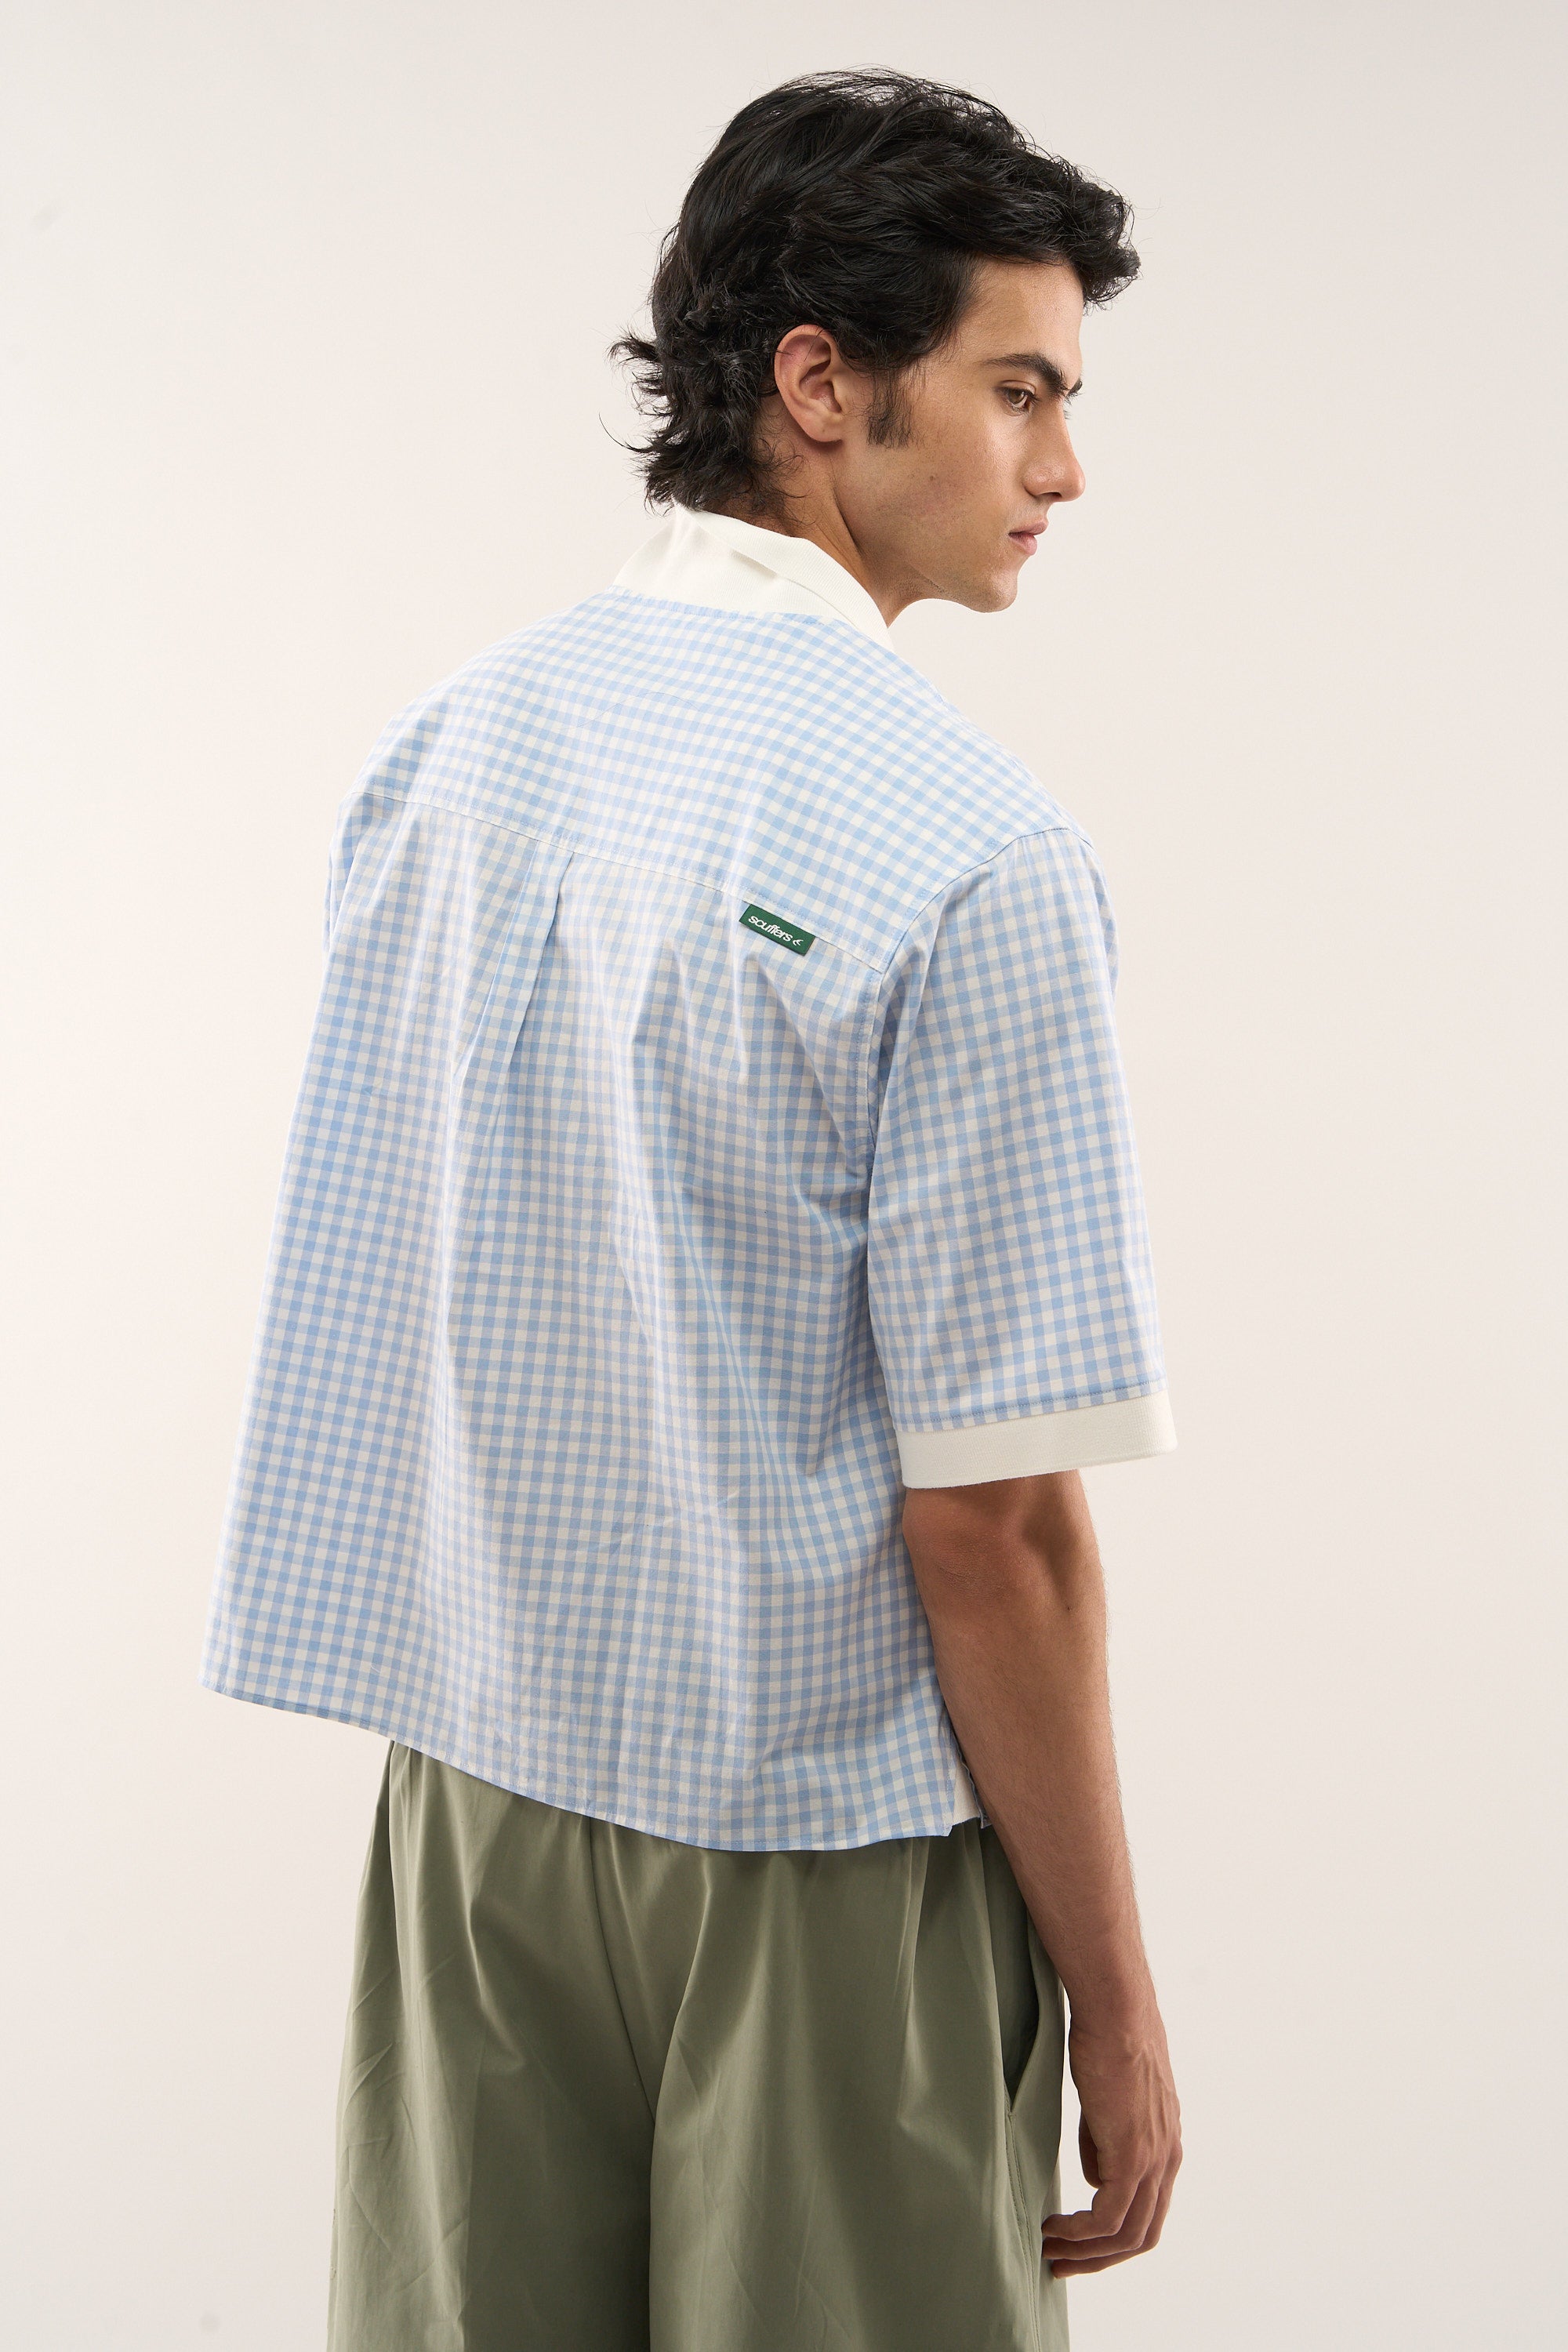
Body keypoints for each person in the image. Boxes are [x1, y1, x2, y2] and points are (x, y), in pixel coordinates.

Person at [201, 66, 1182, 2352]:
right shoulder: (977, 855)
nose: (1062, 468)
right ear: (822, 386)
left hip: (475, 1820)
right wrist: (1118, 2000)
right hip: (819, 1855)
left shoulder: (446, 756)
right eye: (1021, 389)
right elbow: (997, 1529)